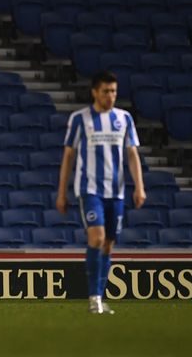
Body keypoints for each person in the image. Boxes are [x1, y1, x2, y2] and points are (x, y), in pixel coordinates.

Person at [56, 71, 146, 315]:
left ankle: (100, 295)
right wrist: (62, 192)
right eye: (106, 91)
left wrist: (139, 186)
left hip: (116, 193)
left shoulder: (124, 118)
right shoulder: (80, 119)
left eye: (114, 91)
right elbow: (68, 156)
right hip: (90, 190)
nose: (111, 96)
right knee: (96, 239)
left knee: (108, 245)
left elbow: (132, 154)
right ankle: (94, 298)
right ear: (95, 92)